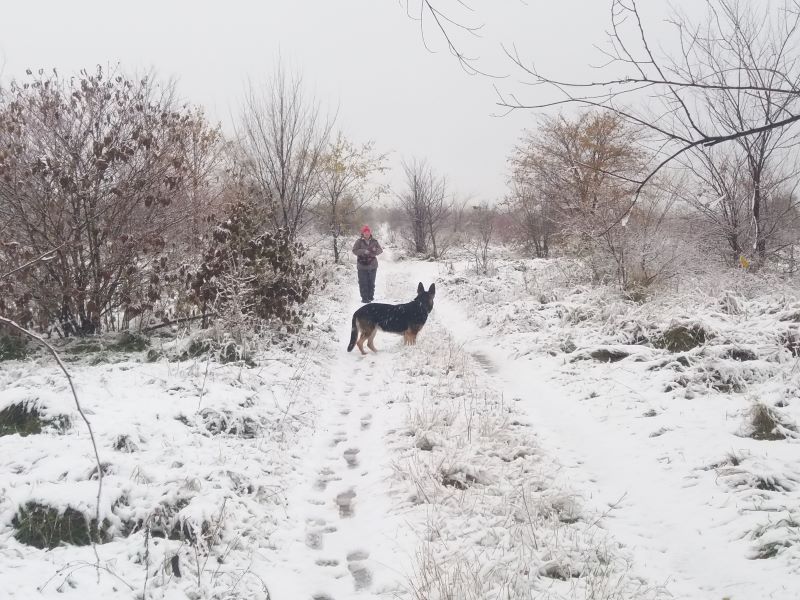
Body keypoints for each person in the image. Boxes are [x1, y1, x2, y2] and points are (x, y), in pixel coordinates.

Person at [352, 225, 383, 303]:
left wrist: (374, 251)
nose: (367, 233)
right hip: (362, 266)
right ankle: (364, 299)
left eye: (368, 232)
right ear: (363, 233)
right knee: (363, 283)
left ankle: (370, 297)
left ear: (370, 233)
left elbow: (380, 250)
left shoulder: (374, 241)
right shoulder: (359, 241)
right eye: (365, 232)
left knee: (371, 283)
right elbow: (354, 251)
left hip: (373, 266)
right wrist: (363, 251)